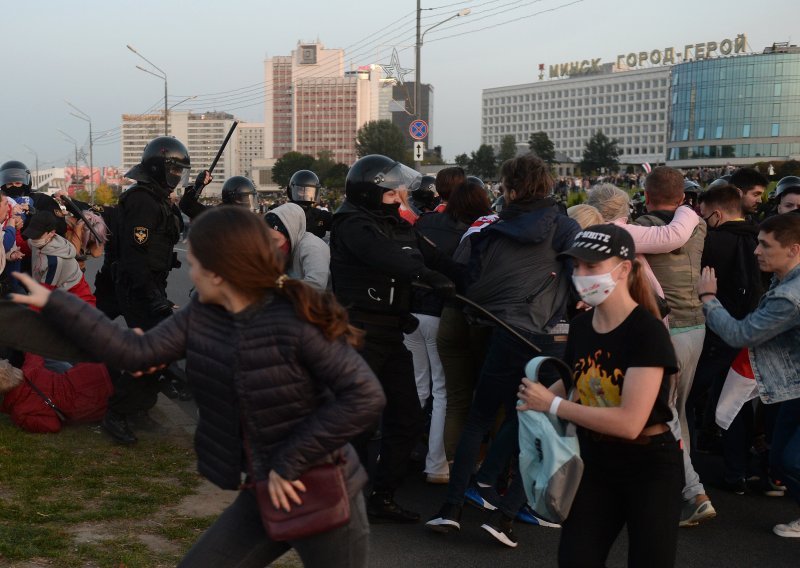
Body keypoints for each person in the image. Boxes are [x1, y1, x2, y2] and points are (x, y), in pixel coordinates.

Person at [9, 206, 386, 566]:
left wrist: (290, 462)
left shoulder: (291, 320)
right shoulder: (203, 314)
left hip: (321, 495)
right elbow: (136, 351)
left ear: (220, 272)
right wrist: (56, 303)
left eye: (196, 263)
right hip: (263, 489)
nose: (190, 270)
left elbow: (365, 396)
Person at [427, 154, 579, 547]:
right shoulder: (564, 226)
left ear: (508, 189)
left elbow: (469, 279)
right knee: (538, 420)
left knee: (479, 416)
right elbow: (580, 281)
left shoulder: (492, 228)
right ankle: (507, 516)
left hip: (505, 332)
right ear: (548, 184)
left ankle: (451, 508)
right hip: (551, 337)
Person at [517, 224, 682, 567]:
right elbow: (573, 380)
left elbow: (630, 422)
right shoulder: (580, 326)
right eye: (576, 266)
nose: (581, 275)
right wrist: (535, 400)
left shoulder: (646, 331)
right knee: (576, 559)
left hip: (649, 466)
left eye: (591, 266)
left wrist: (553, 405)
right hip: (595, 461)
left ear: (623, 269)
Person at [329, 154, 459, 523]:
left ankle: (381, 495)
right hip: (358, 333)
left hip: (391, 332)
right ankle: (343, 497)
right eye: (391, 190)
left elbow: (434, 257)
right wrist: (425, 276)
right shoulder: (351, 223)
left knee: (406, 418)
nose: (399, 194)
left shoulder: (396, 223)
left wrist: (467, 279)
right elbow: (384, 256)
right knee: (359, 419)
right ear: (372, 191)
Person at [697, 213, 800, 538]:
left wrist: (709, 299)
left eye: (765, 245)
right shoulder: (783, 282)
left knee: (792, 460)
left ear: (794, 249)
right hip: (791, 389)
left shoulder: (789, 297)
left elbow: (741, 335)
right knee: (782, 460)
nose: (756, 251)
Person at [635, 166, 713, 527]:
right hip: (696, 325)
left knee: (666, 415)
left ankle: (692, 492)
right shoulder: (698, 226)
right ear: (682, 198)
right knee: (678, 412)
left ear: (647, 196)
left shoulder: (643, 230)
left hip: (664, 328)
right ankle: (682, 486)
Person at [101, 136, 191, 445]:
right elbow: (135, 257)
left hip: (150, 286)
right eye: (174, 169)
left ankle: (138, 410)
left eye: (182, 171)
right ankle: (118, 412)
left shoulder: (156, 197)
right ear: (158, 167)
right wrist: (155, 299)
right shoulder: (142, 200)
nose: (178, 176)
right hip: (137, 287)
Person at [408, 179, 492, 484]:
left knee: (416, 387)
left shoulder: (426, 222)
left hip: (411, 310)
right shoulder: (474, 233)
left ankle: (397, 453)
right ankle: (437, 466)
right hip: (442, 312)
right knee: (444, 391)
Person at [690, 185, 762, 492]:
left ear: (716, 214)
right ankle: (740, 470)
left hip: (719, 331)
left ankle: (692, 472)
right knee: (737, 402)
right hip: (754, 330)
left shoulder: (713, 242)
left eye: (704, 216)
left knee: (689, 400)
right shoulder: (759, 237)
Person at [264, 202, 330, 290]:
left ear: (290, 235)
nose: (270, 246)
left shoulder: (312, 247)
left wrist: (278, 285)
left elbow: (317, 285)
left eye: (274, 240)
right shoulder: (289, 247)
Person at [179, 173, 254, 219]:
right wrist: (197, 187)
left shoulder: (252, 222)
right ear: (232, 198)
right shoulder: (216, 216)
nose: (249, 203)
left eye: (251, 198)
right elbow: (186, 205)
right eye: (245, 198)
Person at [287, 169, 331, 238]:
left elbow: (341, 224)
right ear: (291, 191)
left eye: (309, 191)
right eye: (301, 190)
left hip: (314, 247)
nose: (305, 194)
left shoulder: (320, 215)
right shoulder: (283, 213)